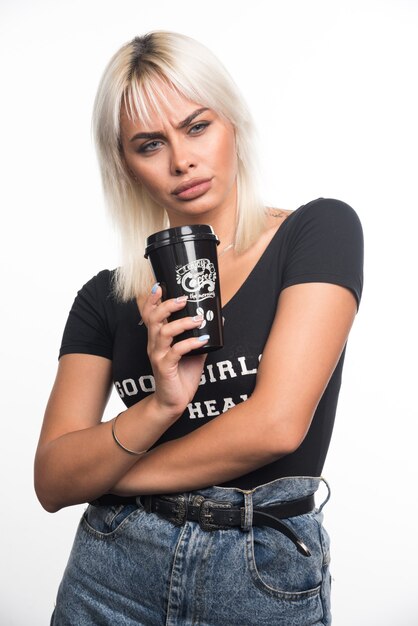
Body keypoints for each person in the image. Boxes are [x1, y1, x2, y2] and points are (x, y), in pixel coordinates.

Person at [35, 31, 363, 626]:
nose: (181, 160)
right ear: (125, 165)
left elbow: (276, 426)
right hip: (112, 570)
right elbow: (54, 480)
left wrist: (112, 475)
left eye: (196, 126)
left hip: (260, 571)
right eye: (149, 144)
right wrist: (159, 406)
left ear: (232, 122)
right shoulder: (104, 299)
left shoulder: (317, 233)